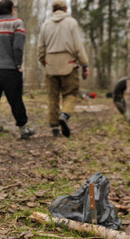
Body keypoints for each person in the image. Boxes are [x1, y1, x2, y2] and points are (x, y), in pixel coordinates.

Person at [0, 0, 34, 143]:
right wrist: (18, 64)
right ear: (11, 9)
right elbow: (18, 47)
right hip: (10, 69)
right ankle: (23, 129)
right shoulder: (16, 23)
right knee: (15, 100)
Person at [38, 0, 89, 138]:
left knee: (52, 96)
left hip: (50, 65)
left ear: (53, 9)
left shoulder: (45, 25)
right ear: (65, 8)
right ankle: (64, 115)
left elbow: (41, 49)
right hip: (69, 63)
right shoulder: (71, 23)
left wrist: (46, 62)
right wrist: (85, 64)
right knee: (70, 94)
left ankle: (54, 126)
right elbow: (78, 46)